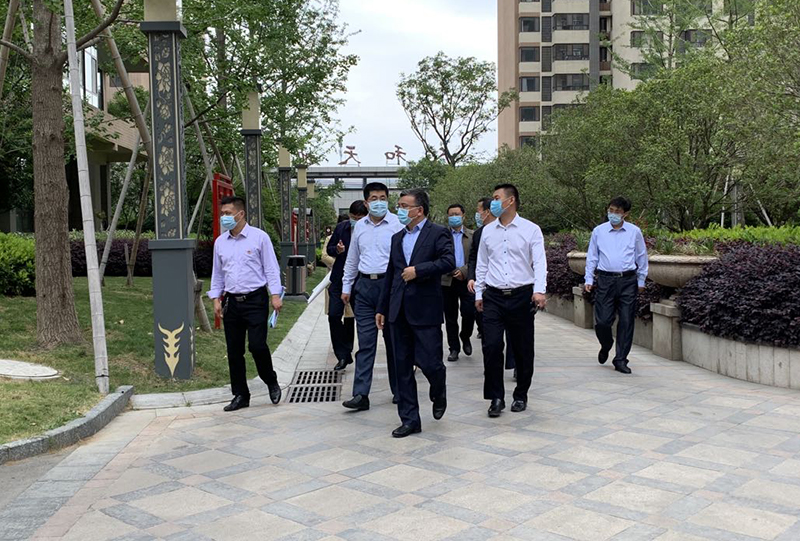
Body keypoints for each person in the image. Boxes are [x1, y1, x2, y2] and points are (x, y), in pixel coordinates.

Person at [377, 188, 454, 437]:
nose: (399, 210)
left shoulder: (438, 232)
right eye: (398, 205)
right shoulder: (397, 238)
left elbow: (448, 262)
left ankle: (438, 389)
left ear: (418, 210)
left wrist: (418, 270)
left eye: (404, 206)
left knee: (431, 363)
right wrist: (382, 308)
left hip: (425, 309)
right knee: (402, 367)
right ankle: (410, 419)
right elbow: (391, 274)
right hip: (398, 310)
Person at [475, 184, 547, 418]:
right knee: (491, 346)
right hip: (493, 296)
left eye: (497, 198)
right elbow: (482, 264)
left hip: (521, 296)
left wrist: (539, 290)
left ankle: (521, 394)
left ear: (511, 200)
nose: (493, 203)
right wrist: (479, 293)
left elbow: (540, 262)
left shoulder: (531, 229)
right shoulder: (487, 231)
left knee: (522, 348)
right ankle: (495, 397)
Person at [208, 196, 283, 412]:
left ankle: (270, 380)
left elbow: (271, 268)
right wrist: (216, 298)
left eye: (228, 213)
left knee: (257, 346)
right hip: (231, 301)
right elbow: (218, 273)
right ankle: (241, 394)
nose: (224, 217)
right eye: (223, 213)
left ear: (240, 214)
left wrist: (275, 295)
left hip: (255, 300)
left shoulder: (259, 238)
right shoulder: (220, 242)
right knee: (234, 351)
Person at [341, 182, 403, 410]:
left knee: (394, 342)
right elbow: (352, 258)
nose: (379, 202)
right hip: (365, 287)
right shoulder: (360, 227)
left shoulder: (398, 224)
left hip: (391, 287)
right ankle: (360, 394)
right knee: (366, 343)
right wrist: (346, 286)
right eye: (374, 199)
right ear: (366, 203)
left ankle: (400, 390)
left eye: (383, 198)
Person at [584, 196, 649, 374]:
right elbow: (592, 256)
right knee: (602, 322)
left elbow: (641, 256)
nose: (613, 214)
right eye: (611, 210)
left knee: (627, 320)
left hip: (628, 280)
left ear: (625, 214)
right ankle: (606, 344)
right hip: (605, 280)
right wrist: (589, 278)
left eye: (617, 212)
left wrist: (641, 279)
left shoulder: (634, 232)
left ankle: (620, 359)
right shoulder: (599, 231)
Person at [468, 197, 515, 377]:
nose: (478, 214)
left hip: (513, 289)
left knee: (514, 331)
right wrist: (472, 278)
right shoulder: (481, 233)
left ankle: (515, 363)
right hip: (489, 289)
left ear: (487, 211)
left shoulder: (517, 230)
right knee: (491, 334)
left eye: (479, 211)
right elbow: (475, 258)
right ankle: (492, 365)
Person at [325, 203, 368, 371]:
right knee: (334, 316)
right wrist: (337, 249)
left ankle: (363, 355)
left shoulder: (370, 229)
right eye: (353, 217)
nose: (355, 221)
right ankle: (343, 354)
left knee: (361, 319)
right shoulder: (342, 228)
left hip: (360, 279)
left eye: (359, 218)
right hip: (339, 278)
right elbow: (329, 249)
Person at [441, 203, 475, 362]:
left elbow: (476, 259)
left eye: (457, 214)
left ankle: (465, 335)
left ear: (463, 216)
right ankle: (454, 347)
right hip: (447, 281)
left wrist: (464, 271)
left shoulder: (472, 236)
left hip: (466, 281)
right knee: (450, 317)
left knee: (469, 312)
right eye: (451, 215)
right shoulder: (442, 235)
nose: (454, 217)